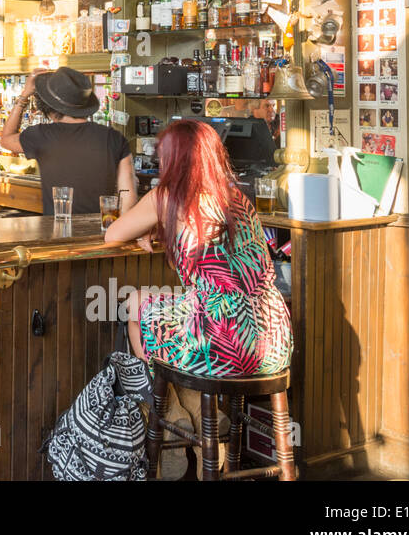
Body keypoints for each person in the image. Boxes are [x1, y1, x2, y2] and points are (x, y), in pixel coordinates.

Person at [105, 119, 293, 377]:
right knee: (182, 304)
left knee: (135, 301)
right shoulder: (239, 198)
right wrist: (160, 224)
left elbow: (113, 235)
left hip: (222, 342)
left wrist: (154, 221)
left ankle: (163, 406)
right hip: (274, 339)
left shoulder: (168, 196)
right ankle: (196, 411)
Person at [0, 66, 135, 217]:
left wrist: (24, 95)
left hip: (58, 233)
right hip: (103, 233)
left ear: (46, 104)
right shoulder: (114, 138)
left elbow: (5, 139)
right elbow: (127, 195)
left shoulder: (41, 135)